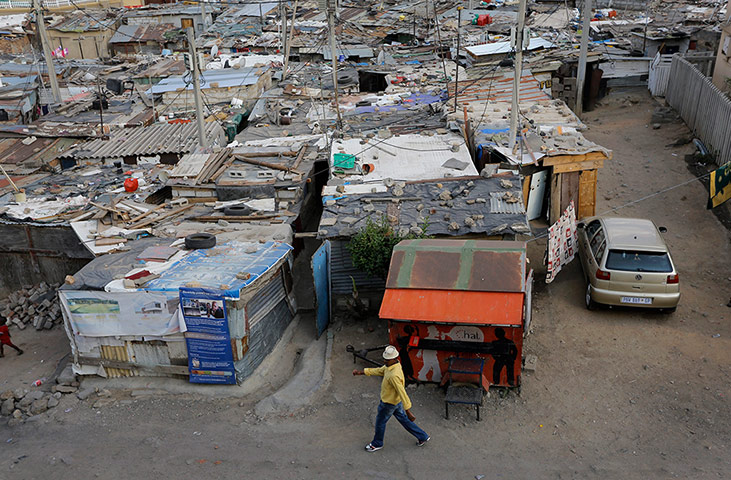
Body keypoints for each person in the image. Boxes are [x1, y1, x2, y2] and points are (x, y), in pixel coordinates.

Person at [353, 345, 430, 452]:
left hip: (388, 404)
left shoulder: (393, 375)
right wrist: (361, 372)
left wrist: (408, 410)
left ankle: (377, 443)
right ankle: (422, 436)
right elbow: (380, 370)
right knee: (404, 421)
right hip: (396, 402)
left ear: (393, 359)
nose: (384, 360)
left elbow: (402, 392)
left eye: (386, 359)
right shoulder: (394, 365)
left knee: (380, 423)